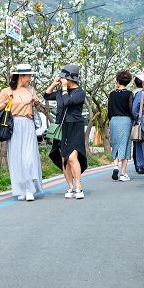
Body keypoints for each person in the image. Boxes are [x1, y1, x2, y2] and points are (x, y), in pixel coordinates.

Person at [0, 64, 44, 202]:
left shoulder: (31, 90)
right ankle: (22, 189)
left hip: (28, 125)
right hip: (14, 125)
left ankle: (29, 189)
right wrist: (6, 100)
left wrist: (37, 103)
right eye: (28, 76)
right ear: (20, 76)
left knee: (29, 158)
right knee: (18, 158)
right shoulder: (7, 90)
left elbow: (38, 109)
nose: (30, 78)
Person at [44, 64, 88, 199]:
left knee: (72, 157)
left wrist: (63, 88)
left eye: (64, 78)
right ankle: (70, 186)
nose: (62, 79)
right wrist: (53, 84)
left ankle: (79, 187)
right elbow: (46, 95)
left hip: (75, 127)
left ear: (70, 79)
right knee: (64, 158)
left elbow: (68, 102)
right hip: (62, 127)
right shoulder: (61, 92)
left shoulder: (80, 92)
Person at [107, 70, 134, 182]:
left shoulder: (112, 94)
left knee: (116, 144)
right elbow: (131, 109)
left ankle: (115, 166)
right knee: (125, 145)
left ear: (118, 81)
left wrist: (110, 124)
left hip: (113, 120)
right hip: (125, 120)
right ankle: (123, 174)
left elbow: (109, 111)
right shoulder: (129, 94)